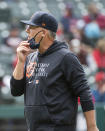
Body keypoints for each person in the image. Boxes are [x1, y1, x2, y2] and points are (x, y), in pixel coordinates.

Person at [10, 11, 99, 131]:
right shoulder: (30, 58)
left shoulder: (66, 58)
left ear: (43, 32)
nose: (27, 31)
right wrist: (21, 62)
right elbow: (16, 91)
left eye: (31, 27)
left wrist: (92, 127)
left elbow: (85, 93)